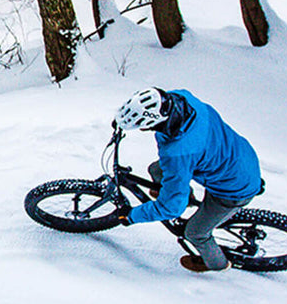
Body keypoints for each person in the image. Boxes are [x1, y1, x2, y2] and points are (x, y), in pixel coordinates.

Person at [113, 87, 263, 272]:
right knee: (156, 169)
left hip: (234, 188)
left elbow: (171, 208)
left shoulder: (178, 152)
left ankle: (217, 264)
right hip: (237, 154)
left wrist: (131, 216)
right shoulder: (182, 98)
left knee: (195, 233)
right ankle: (185, 196)